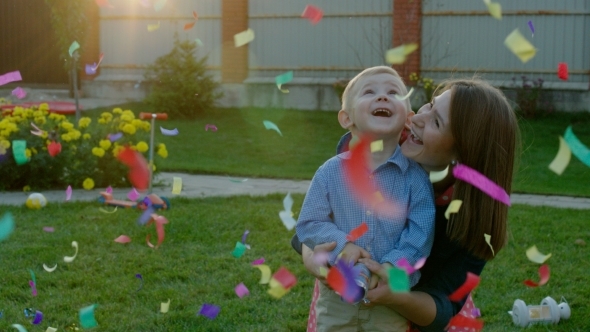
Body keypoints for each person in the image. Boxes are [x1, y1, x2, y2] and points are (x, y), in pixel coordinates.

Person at [294, 78, 519, 332]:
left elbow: (443, 305)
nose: (419, 119)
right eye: (429, 105)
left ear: (462, 156)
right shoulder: (377, 144)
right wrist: (312, 259)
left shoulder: (473, 218)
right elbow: (315, 220)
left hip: (414, 309)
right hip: (345, 295)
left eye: (436, 122)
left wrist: (392, 289)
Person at [296, 65, 436, 331]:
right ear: (346, 118)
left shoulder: (415, 180)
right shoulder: (329, 173)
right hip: (336, 293)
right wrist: (341, 245)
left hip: (388, 298)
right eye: (369, 92)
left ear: (408, 118)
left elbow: (420, 234)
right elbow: (309, 223)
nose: (382, 97)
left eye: (393, 92)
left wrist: (390, 266)